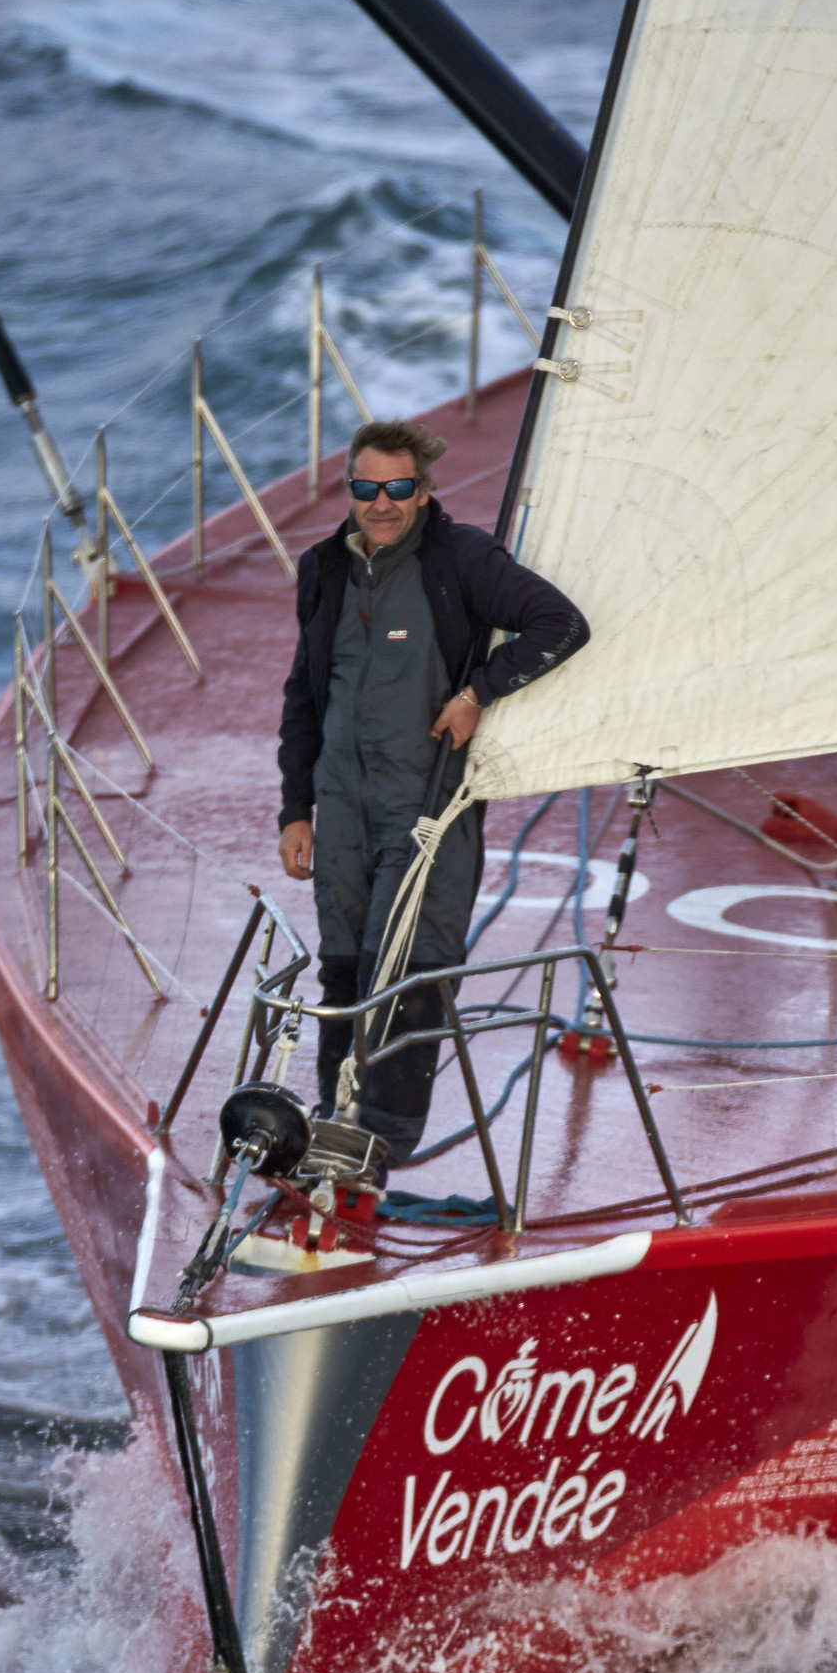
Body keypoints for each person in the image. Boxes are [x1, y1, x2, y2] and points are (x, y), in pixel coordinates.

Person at [276, 418, 588, 1162]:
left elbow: (561, 624)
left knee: (410, 963)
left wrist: (480, 689)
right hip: (342, 801)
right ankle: (332, 1119)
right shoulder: (321, 569)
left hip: (426, 804)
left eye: (398, 488)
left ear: (424, 492)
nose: (381, 503)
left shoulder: (462, 559)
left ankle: (380, 1147)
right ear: (349, 489)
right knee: (344, 959)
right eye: (366, 488)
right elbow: (303, 698)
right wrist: (296, 810)